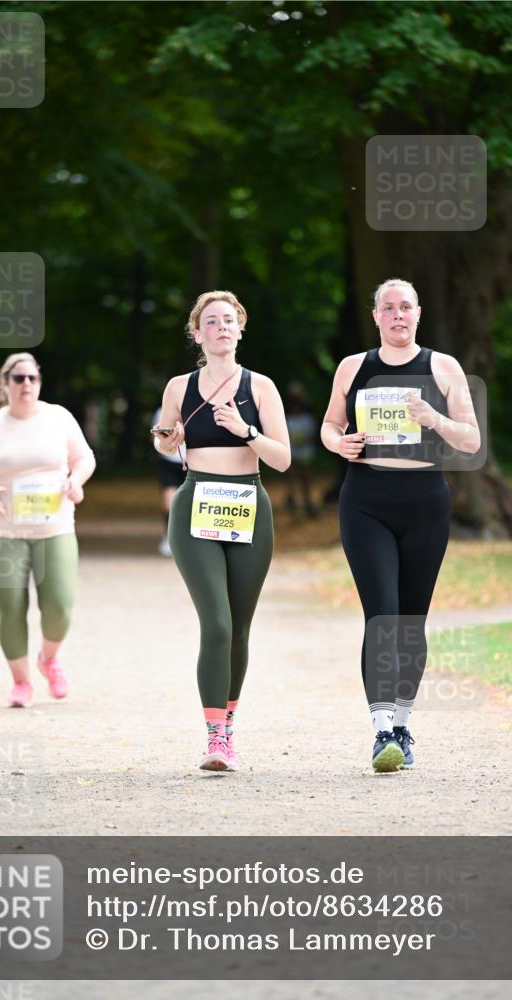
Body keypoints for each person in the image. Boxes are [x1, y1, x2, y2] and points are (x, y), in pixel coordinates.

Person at [321, 278, 480, 773]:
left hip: (425, 501)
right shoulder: (354, 367)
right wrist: (338, 444)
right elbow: (330, 425)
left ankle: (404, 724)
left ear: (418, 313)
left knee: (411, 621)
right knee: (382, 615)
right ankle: (381, 730)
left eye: (405, 306)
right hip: (366, 500)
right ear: (375, 316)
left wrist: (433, 418)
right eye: (387, 308)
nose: (397, 315)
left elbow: (471, 441)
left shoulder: (443, 367)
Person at [153, 290, 290, 772]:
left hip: (249, 503)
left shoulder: (261, 387)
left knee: (240, 627)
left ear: (240, 329)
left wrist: (244, 429)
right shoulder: (178, 387)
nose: (221, 328)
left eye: (229, 321)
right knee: (216, 623)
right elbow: (168, 444)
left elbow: (283, 458)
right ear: (198, 333)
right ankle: (215, 738)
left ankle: (229, 725)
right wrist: (168, 440)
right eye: (211, 322)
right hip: (196, 504)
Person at [0, 353, 96, 707]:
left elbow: (85, 458)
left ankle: (49, 659)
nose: (26, 384)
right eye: (18, 378)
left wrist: (75, 481)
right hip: (3, 529)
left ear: (39, 382)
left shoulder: (59, 417)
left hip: (54, 526)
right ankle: (20, 682)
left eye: (32, 378)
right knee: (11, 607)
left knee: (59, 606)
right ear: (4, 383)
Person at [152, 404, 186, 556]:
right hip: (169, 462)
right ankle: (169, 536)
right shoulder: (162, 411)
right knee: (169, 502)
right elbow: (155, 436)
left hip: (194, 462)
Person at [284, 382, 318, 517]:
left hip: (303, 451)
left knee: (304, 476)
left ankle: (306, 501)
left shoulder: (306, 417)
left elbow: (312, 436)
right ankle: (294, 500)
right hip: (292, 451)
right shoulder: (288, 417)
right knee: (292, 476)